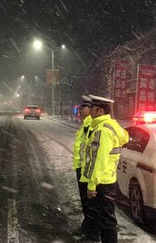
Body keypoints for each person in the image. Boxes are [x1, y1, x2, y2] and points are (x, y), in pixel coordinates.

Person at [80, 94, 129, 243]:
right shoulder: (111, 126)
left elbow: (98, 160)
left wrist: (92, 185)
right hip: (107, 179)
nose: (90, 112)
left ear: (100, 111)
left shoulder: (103, 131)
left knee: (106, 220)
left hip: (101, 182)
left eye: (93, 110)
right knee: (104, 217)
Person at [72, 95, 93, 236]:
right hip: (82, 167)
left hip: (87, 169)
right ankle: (88, 226)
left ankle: (91, 230)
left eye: (83, 107)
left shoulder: (91, 124)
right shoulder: (85, 123)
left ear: (90, 109)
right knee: (85, 201)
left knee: (89, 202)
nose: (80, 109)